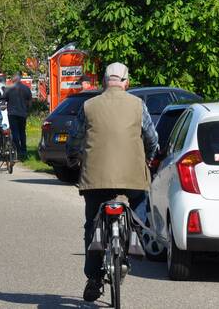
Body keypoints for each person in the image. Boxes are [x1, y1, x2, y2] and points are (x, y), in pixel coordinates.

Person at [72, 62, 158, 303]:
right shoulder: (138, 105)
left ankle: (94, 277)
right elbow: (152, 138)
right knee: (140, 203)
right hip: (132, 176)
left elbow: (76, 138)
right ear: (126, 82)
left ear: (103, 82)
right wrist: (148, 159)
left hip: (95, 178)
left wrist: (72, 157)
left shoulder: (88, 105)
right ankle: (134, 238)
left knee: (92, 223)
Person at [3, 73, 33, 157]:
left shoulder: (9, 88)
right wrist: (27, 110)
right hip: (23, 113)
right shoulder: (26, 88)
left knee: (15, 131)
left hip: (12, 113)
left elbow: (3, 99)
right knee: (22, 132)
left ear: (14, 79)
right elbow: (30, 101)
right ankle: (24, 150)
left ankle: (17, 149)